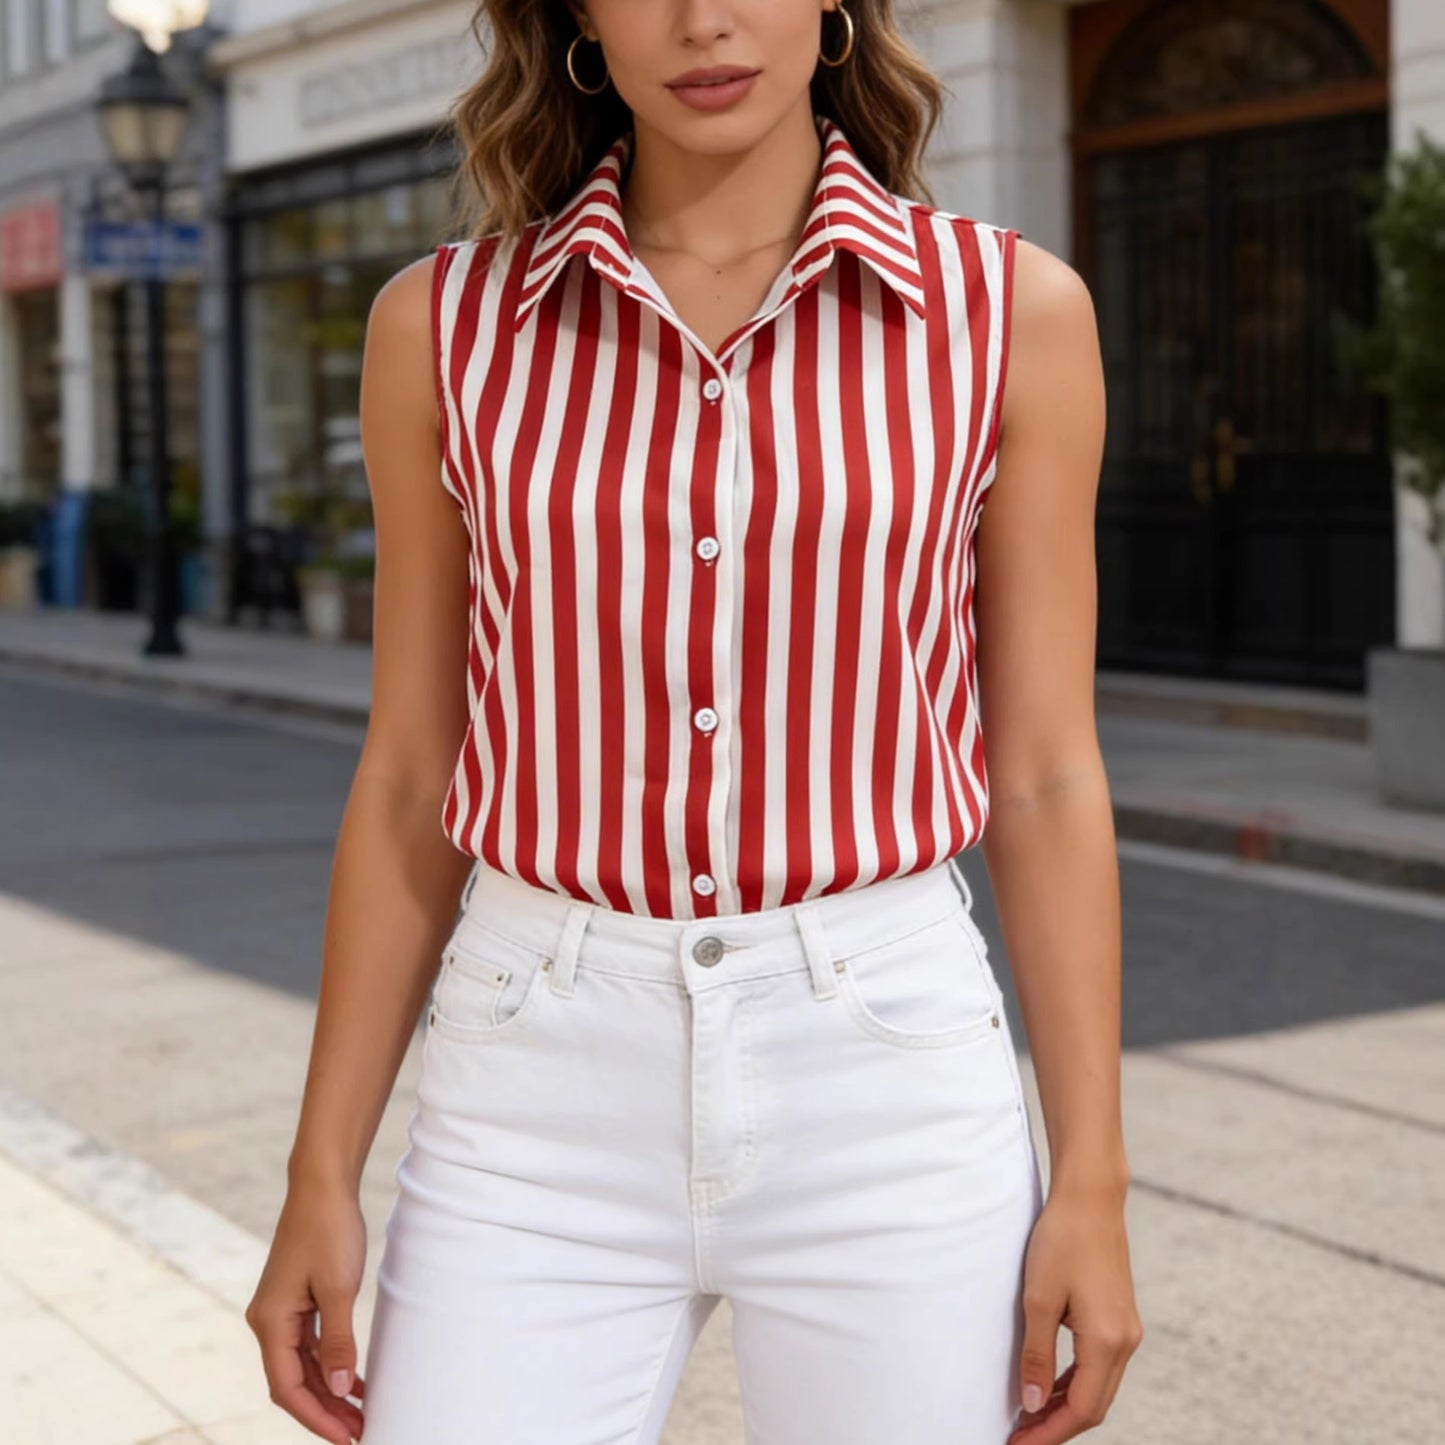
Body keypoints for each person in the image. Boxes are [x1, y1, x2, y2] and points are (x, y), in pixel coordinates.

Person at [245, 2, 1143, 1441]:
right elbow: (414, 772)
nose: (703, 20)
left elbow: (1041, 774)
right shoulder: (446, 328)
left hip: (888, 1079)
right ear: (578, 18)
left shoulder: (1008, 314)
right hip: (530, 1084)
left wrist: (1090, 1177)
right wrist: (317, 1173)